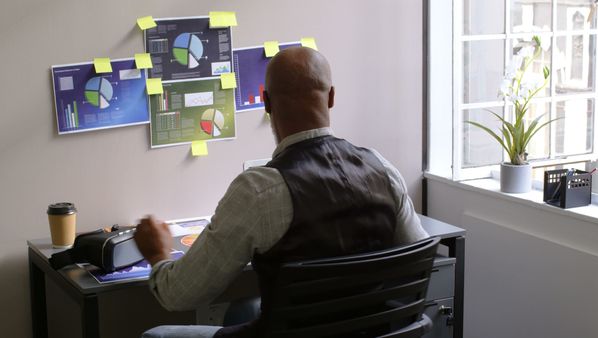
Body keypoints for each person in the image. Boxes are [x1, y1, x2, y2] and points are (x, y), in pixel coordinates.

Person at [134, 46, 429, 338]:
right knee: (244, 309)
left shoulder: (260, 190)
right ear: (331, 97)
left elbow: (180, 295)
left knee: (156, 335)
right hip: (372, 332)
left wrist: (157, 254)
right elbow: (419, 258)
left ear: (266, 102)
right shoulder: (383, 169)